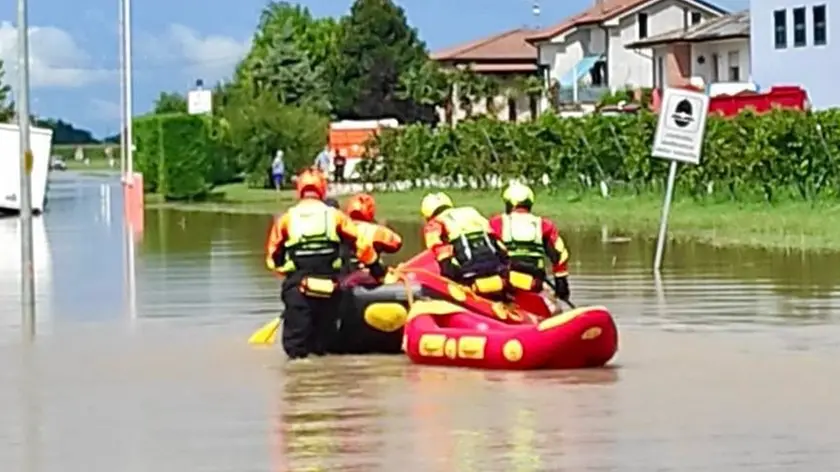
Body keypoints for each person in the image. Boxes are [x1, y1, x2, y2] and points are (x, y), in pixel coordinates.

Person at [265, 169, 386, 359]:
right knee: (324, 346)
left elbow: (273, 259)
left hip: (298, 287)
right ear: (323, 189)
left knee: (296, 348)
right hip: (330, 286)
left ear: (299, 190)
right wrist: (377, 270)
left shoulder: (286, 219)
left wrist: (290, 273)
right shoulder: (336, 216)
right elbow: (361, 247)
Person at [488, 183, 570, 302]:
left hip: (505, 283)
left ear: (509, 203)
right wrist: (561, 283)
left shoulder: (496, 223)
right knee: (551, 300)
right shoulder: (544, 225)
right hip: (534, 282)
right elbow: (560, 255)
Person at [420, 192, 508, 298]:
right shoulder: (471, 211)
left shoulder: (434, 223)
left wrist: (448, 280)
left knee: (446, 266)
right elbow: (494, 237)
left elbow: (440, 252)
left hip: (469, 274)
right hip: (496, 268)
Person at [345, 193, 403, 264]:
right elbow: (397, 242)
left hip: (345, 270)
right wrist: (382, 227)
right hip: (366, 271)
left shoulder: (340, 225)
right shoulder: (374, 230)